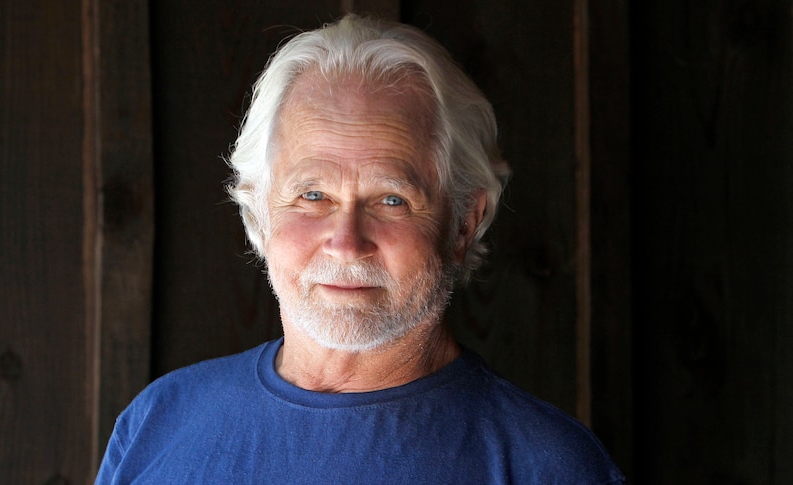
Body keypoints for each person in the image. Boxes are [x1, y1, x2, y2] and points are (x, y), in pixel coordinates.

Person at [96, 14, 624, 484]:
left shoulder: (549, 467)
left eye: (392, 199)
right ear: (258, 211)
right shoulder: (158, 423)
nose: (347, 244)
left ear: (464, 223)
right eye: (312, 195)